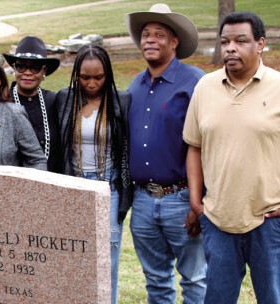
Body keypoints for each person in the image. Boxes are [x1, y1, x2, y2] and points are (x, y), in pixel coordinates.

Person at [183, 11, 280, 304]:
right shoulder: (205, 88)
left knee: (272, 298)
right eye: (225, 42)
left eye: (240, 41)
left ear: (260, 44)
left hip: (272, 221)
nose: (230, 48)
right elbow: (194, 148)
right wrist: (197, 203)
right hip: (219, 219)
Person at [125, 4, 207, 303]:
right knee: (156, 280)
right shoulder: (135, 84)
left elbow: (209, 145)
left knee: (195, 279)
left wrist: (200, 202)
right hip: (144, 201)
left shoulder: (196, 82)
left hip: (183, 198)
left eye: (159, 34)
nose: (150, 40)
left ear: (175, 42)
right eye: (146, 34)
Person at [56, 44, 131, 304]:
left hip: (107, 187)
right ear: (76, 74)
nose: (91, 83)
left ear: (107, 74)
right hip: (74, 185)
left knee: (107, 257)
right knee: (74, 257)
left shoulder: (120, 100)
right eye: (84, 77)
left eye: (98, 77)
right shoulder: (66, 99)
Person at [3, 36, 61, 172]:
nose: (27, 73)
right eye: (21, 66)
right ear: (14, 68)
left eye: (35, 68)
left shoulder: (54, 100)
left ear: (44, 71)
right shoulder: (2, 102)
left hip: (52, 181)